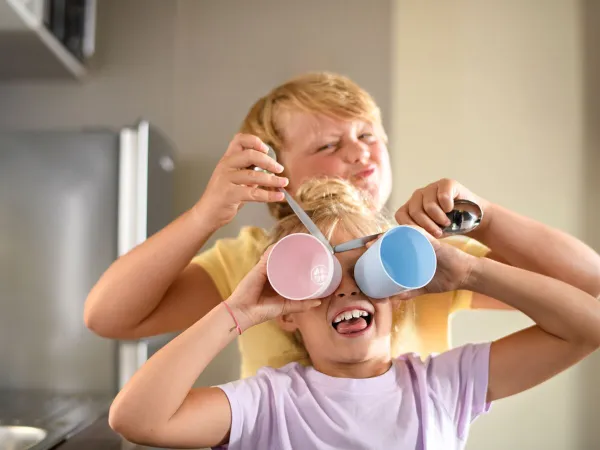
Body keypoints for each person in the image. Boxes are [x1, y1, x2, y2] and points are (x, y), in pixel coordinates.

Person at [84, 72, 600, 378]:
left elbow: (590, 289)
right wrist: (206, 215)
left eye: (368, 134)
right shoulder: (250, 263)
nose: (360, 154)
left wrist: (483, 216)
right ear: (272, 170)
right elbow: (109, 317)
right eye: (329, 145)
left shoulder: (420, 256)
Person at [107, 178, 600, 449]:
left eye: (367, 270)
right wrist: (237, 311)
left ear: (401, 291)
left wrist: (470, 271)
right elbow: (137, 419)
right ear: (288, 313)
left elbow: (587, 327)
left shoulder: (442, 386)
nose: (346, 290)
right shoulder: (269, 403)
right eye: (320, 277)